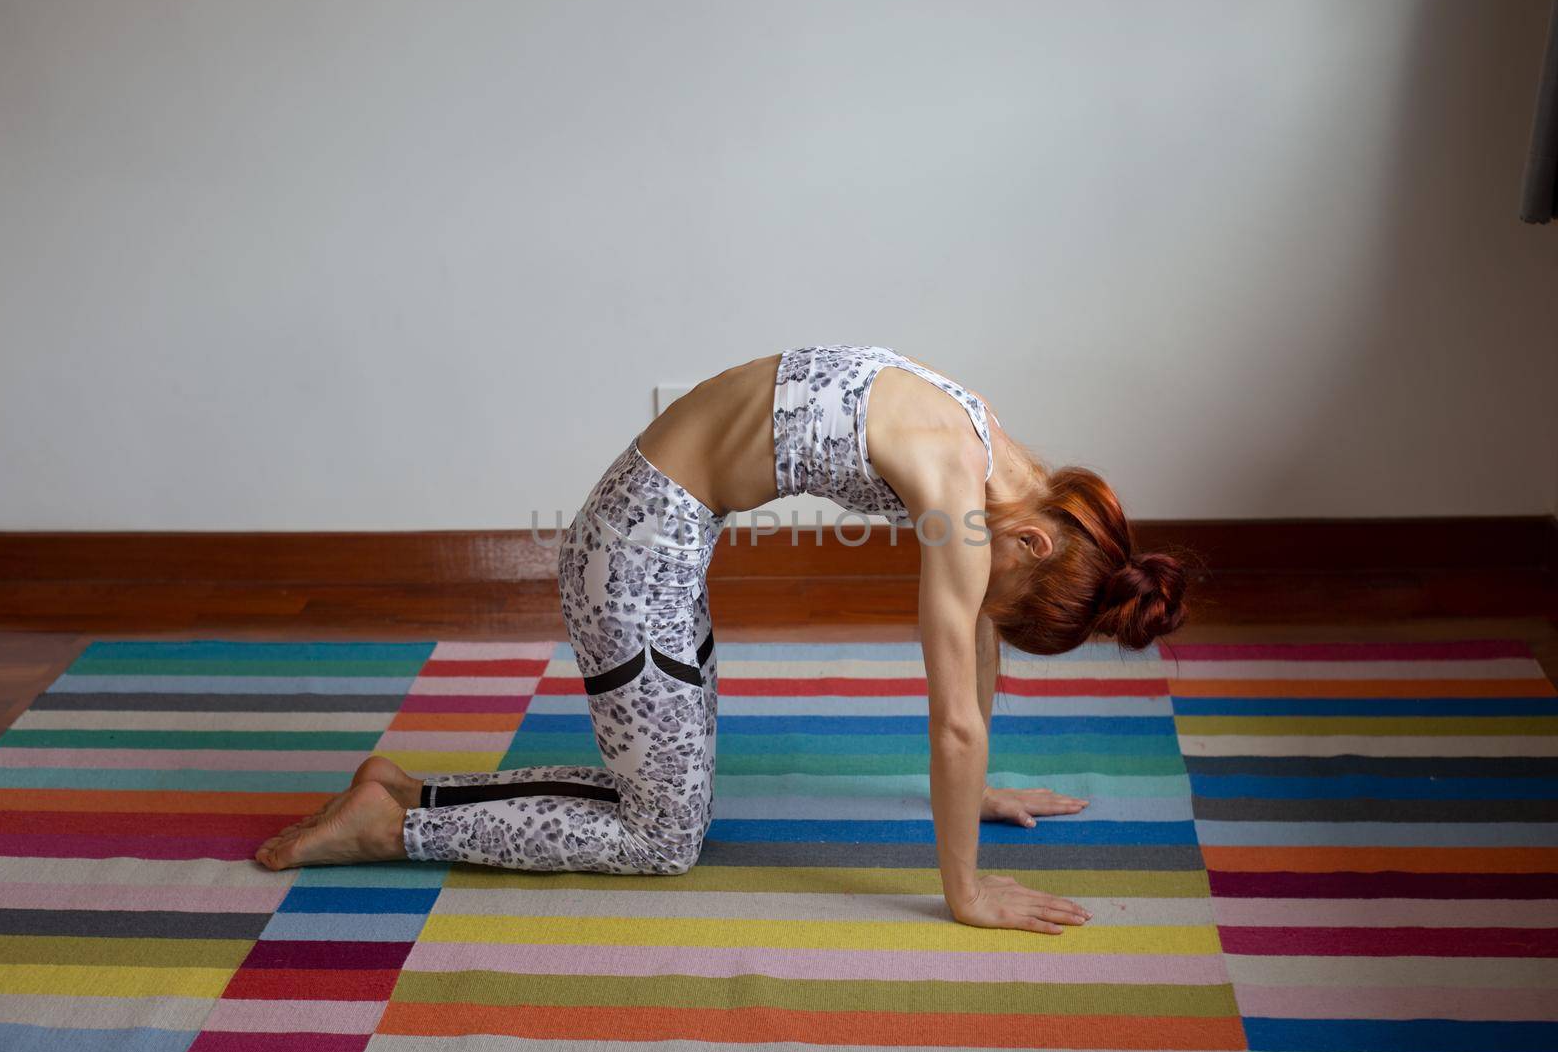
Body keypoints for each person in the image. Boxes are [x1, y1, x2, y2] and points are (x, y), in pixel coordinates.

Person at [254, 344, 1189, 933]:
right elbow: (952, 718)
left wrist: (979, 788)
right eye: (1005, 589)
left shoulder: (995, 449)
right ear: (1031, 542)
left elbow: (977, 632)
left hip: (662, 548)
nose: (987, 593)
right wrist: (966, 893)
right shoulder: (957, 481)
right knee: (662, 841)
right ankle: (395, 828)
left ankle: (406, 790)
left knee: (667, 809)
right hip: (629, 566)